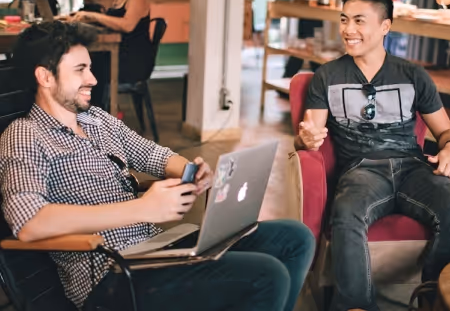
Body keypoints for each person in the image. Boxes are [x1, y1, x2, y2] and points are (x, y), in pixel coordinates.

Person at [0, 21, 315, 311]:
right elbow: (29, 222)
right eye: (80, 70)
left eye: (90, 68)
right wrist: (143, 209)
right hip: (110, 276)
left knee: (294, 238)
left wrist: (191, 171)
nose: (93, 79)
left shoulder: (96, 120)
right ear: (45, 77)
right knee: (266, 276)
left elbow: (155, 155)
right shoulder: (25, 134)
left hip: (154, 250)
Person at [296, 0, 450, 311]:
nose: (348, 30)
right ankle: (356, 306)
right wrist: (305, 140)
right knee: (347, 212)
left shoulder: (413, 75)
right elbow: (309, 132)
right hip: (361, 170)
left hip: (413, 168)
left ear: (385, 26)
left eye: (359, 21)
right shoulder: (327, 76)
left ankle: (435, 301)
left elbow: (446, 130)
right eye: (344, 20)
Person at [71, 0, 154, 108]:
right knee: (83, 62)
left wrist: (94, 16)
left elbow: (127, 25)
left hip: (132, 61)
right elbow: (112, 22)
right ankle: (88, 110)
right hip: (118, 53)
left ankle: (94, 112)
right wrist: (82, 17)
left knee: (87, 66)